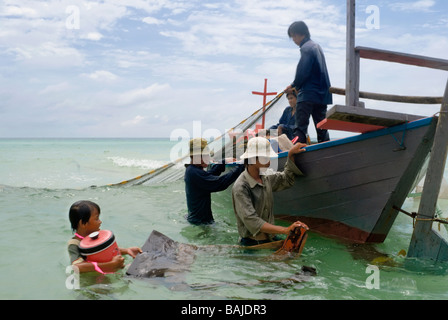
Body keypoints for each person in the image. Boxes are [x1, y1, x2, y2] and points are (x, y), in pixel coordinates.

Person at [231, 137, 308, 246]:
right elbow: (252, 221)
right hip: (252, 243)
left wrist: (290, 155)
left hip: (270, 238)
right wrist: (285, 230)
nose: (269, 160)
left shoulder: (265, 177)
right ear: (253, 159)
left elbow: (286, 180)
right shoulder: (240, 187)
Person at [285, 21, 332, 144]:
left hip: (307, 95)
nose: (294, 40)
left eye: (293, 36)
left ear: (299, 34)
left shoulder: (306, 48)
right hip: (322, 95)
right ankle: (325, 150)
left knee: (300, 128)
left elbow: (303, 71)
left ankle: (296, 154)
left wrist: (294, 85)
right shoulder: (317, 47)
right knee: (322, 127)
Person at [67, 200, 142, 274]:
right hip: (94, 279)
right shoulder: (74, 243)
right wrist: (110, 265)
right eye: (96, 219)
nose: (100, 222)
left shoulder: (97, 237)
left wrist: (127, 250)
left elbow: (106, 251)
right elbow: (76, 267)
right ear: (83, 223)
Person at [184, 138, 244, 225]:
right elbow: (219, 183)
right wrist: (242, 166)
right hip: (201, 223)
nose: (208, 158)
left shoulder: (192, 170)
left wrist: (223, 162)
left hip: (197, 220)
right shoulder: (194, 173)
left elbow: (208, 176)